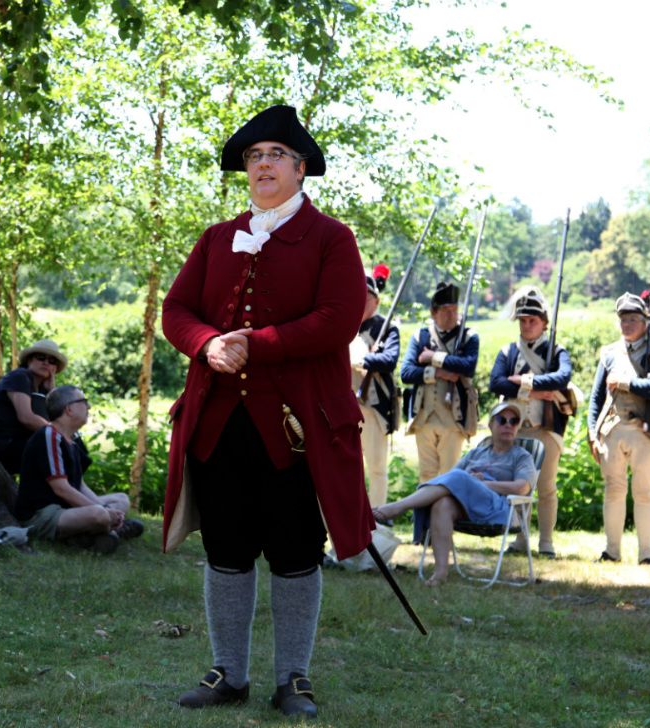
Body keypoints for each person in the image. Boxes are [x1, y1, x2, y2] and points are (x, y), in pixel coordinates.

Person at [160, 105, 371, 718]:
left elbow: (337, 318)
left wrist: (255, 343)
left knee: (296, 550)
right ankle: (228, 673)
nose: (263, 165)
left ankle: (293, 680)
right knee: (225, 548)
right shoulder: (215, 237)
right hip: (219, 422)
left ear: (301, 169)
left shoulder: (333, 237)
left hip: (298, 426)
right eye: (254, 157)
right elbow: (176, 311)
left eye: (276, 155)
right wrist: (207, 343)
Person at [373, 402, 535, 586]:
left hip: (499, 509)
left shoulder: (521, 456)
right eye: (502, 420)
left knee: (460, 476)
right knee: (443, 503)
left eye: (513, 421)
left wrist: (483, 483)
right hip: (470, 505)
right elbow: (449, 480)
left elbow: (522, 487)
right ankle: (440, 573)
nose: (508, 425)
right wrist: (470, 481)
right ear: (490, 425)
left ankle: (397, 507)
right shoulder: (476, 453)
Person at [489, 285, 573, 559]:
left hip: (546, 428)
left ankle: (546, 542)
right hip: (515, 430)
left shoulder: (556, 350)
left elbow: (561, 378)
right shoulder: (508, 351)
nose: (527, 326)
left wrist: (521, 382)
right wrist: (534, 390)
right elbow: (496, 382)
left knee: (546, 487)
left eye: (532, 321)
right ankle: (520, 540)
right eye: (523, 321)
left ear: (544, 323)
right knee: (520, 487)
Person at [587, 292, 650, 566]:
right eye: (623, 319)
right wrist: (592, 433)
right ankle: (612, 552)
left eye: (633, 319)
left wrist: (625, 384)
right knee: (613, 490)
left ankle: (646, 555)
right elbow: (596, 397)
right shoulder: (609, 353)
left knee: (644, 492)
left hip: (646, 431)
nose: (627, 324)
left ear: (646, 322)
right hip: (612, 429)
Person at [14, 385, 144, 554]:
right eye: (84, 402)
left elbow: (80, 486)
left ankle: (92, 534)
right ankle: (103, 530)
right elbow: (62, 489)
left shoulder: (72, 441)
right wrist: (103, 511)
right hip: (42, 514)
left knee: (121, 499)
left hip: (65, 509)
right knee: (99, 515)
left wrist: (106, 509)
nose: (89, 407)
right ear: (69, 409)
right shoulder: (49, 436)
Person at [401, 282, 479, 485]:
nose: (451, 315)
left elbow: (468, 366)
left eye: (454, 310)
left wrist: (433, 356)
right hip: (424, 416)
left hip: (454, 417)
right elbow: (407, 372)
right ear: (433, 313)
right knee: (426, 474)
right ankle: (425, 517)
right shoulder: (421, 336)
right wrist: (437, 373)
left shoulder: (468, 337)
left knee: (449, 474)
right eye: (445, 311)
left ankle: (444, 517)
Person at [350, 264, 400, 508]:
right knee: (349, 467)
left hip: (373, 406)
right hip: (345, 405)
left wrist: (359, 359)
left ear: (376, 300)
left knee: (376, 466)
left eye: (365, 296)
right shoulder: (345, 325)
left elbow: (389, 361)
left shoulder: (387, 328)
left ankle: (377, 516)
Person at [0, 339, 67, 475]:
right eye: (41, 357)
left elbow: (56, 420)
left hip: (16, 444)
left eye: (52, 361)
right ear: (29, 360)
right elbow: (26, 418)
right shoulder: (19, 377)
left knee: (68, 451)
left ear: (54, 368)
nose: (46, 363)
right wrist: (62, 436)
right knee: (60, 450)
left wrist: (51, 392)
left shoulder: (43, 388)